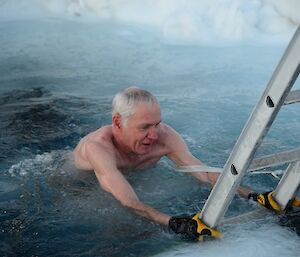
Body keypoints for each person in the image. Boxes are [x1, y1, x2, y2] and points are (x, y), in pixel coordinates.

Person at [72, 86, 270, 239]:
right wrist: (175, 223)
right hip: (80, 186)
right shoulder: (97, 148)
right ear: (117, 122)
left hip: (127, 178)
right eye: (144, 127)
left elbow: (202, 172)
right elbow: (128, 201)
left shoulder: (164, 136)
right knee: (122, 230)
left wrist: (253, 195)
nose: (154, 134)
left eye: (157, 124)